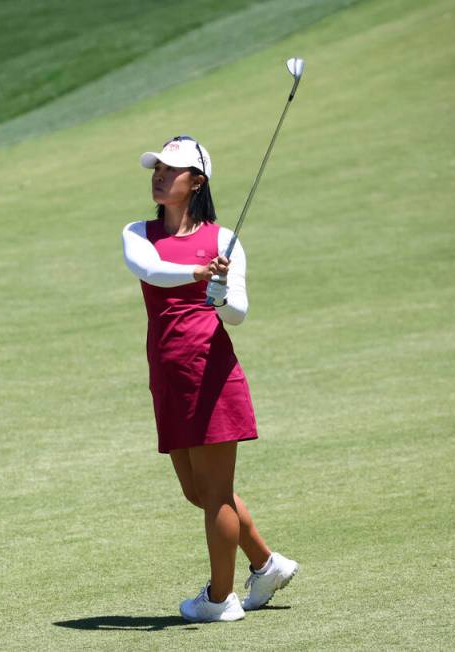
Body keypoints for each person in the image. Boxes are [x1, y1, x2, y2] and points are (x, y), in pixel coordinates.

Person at [122, 136, 298, 623]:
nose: (159, 175)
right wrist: (200, 272)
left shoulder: (224, 240)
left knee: (215, 493)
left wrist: (219, 293)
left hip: (211, 373)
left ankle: (220, 600)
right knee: (197, 492)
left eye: (171, 170)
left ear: (196, 182)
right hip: (168, 374)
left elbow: (237, 313)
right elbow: (149, 269)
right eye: (156, 167)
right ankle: (266, 565)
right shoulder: (138, 231)